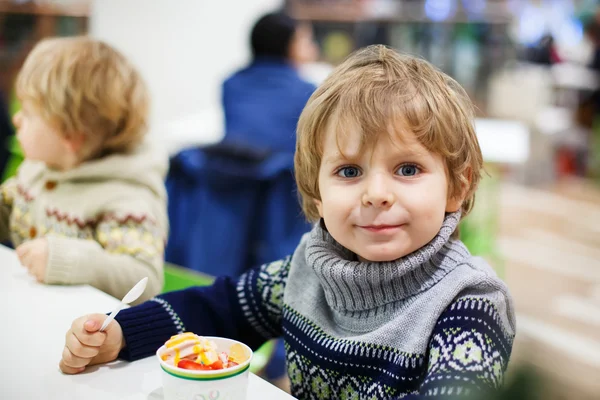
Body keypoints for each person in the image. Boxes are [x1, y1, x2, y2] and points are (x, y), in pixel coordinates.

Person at [59, 45, 516, 399]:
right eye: (350, 172)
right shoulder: (308, 268)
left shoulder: (469, 303)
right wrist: (123, 334)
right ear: (317, 194)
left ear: (457, 186)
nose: (377, 193)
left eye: (408, 169)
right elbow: (222, 309)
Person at [0, 37, 168, 303]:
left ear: (71, 136)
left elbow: (144, 279)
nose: (16, 119)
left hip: (87, 339)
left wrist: (67, 261)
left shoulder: (125, 198)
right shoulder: (40, 168)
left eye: (29, 113)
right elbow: (10, 208)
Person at [221, 11, 318, 153]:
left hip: (232, 170)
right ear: (289, 46)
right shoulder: (307, 92)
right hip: (282, 173)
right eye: (306, 40)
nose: (313, 48)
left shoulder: (231, 84)